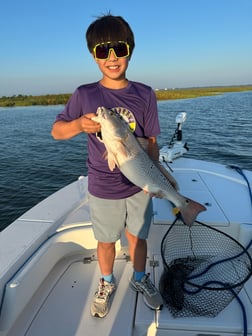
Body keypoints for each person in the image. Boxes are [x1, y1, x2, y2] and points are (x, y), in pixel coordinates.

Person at [51, 13, 177, 318]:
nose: (111, 58)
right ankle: (106, 282)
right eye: (102, 51)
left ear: (130, 51)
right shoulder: (85, 94)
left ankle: (139, 278)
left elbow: (151, 143)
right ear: (93, 56)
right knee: (105, 241)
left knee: (138, 238)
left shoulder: (145, 94)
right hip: (103, 186)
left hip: (140, 184)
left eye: (119, 49)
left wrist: (159, 179)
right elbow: (57, 131)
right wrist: (79, 125)